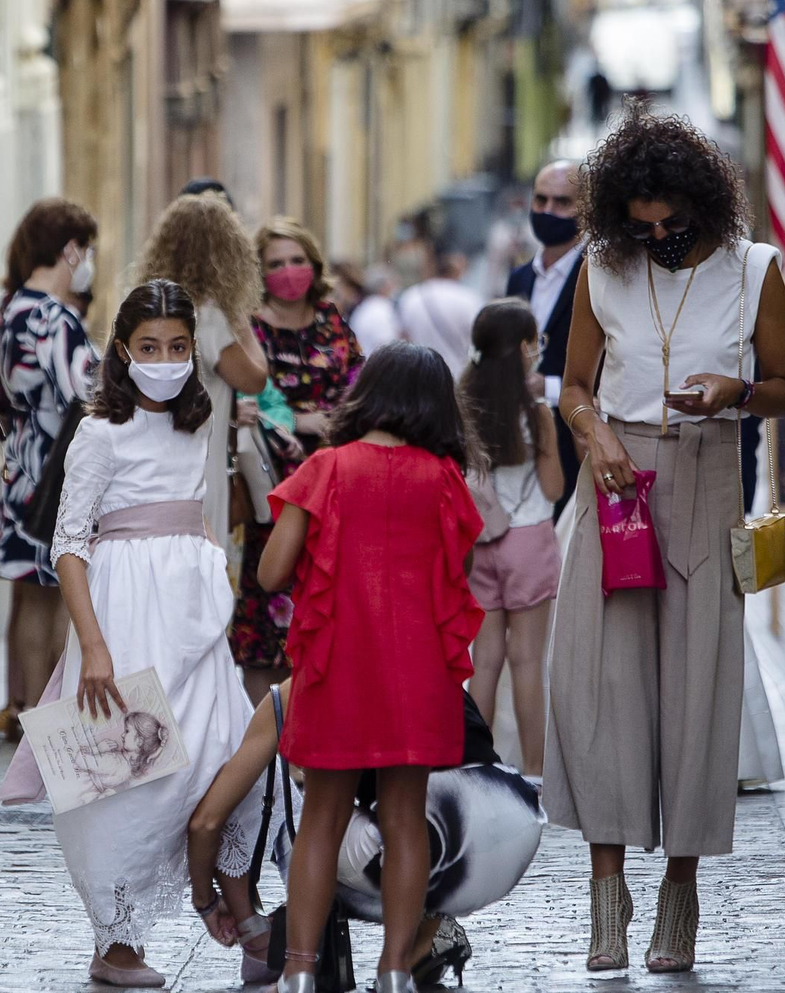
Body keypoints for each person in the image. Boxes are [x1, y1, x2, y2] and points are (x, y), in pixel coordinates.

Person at [545, 100, 785, 973]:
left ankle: (679, 893)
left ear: (703, 205)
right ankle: (606, 894)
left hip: (707, 473)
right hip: (617, 481)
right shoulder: (600, 266)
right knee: (602, 685)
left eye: (673, 223)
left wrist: (736, 391)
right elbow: (573, 385)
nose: (656, 235)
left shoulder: (755, 268)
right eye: (640, 222)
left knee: (699, 688)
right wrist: (597, 433)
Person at [0, 280, 263, 989]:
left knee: (226, 750)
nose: (166, 359)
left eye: (178, 346)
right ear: (122, 351)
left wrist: (212, 576)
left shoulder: (195, 423)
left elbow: (198, 512)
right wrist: (93, 644)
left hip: (194, 613)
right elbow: (68, 544)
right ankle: (115, 941)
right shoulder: (98, 431)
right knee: (127, 773)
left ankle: (240, 909)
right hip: (124, 609)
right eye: (150, 347)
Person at [255, 341, 484, 993]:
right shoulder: (443, 477)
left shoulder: (325, 468)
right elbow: (456, 579)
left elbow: (272, 572)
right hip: (417, 676)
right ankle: (394, 971)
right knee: (405, 819)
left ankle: (299, 972)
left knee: (322, 819)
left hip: (338, 672)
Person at [187, 684, 544, 990]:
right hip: (515, 810)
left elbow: (206, 822)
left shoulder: (300, 690)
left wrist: (205, 901)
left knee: (304, 831)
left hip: (443, 826)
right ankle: (401, 964)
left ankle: (302, 969)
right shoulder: (420, 653)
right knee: (398, 814)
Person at [0, 199, 100, 743]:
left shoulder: (11, 309)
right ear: (70, 249)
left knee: (28, 593)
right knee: (54, 594)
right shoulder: (54, 316)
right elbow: (86, 391)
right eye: (87, 250)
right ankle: (49, 716)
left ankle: (25, 707)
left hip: (20, 465)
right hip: (56, 468)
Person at [231, 218, 365, 705]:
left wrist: (338, 420)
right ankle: (263, 753)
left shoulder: (333, 319)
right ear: (259, 272)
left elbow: (362, 385)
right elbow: (239, 394)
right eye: (276, 263)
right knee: (266, 621)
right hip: (273, 490)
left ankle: (318, 737)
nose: (288, 271)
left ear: (314, 264)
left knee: (330, 613)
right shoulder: (247, 326)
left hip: (337, 487)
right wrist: (300, 421)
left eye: (297, 260)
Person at [461, 299, 563, 781]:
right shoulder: (535, 411)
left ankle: (476, 764)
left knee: (485, 659)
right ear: (525, 347)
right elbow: (554, 487)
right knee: (527, 659)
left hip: (480, 541)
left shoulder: (464, 405)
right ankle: (536, 768)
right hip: (529, 539)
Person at [135, 193, 269, 549]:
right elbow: (255, 377)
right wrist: (241, 323)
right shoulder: (208, 317)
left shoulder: (146, 307)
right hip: (199, 471)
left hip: (148, 469)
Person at [506, 159, 587, 517]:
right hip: (518, 444)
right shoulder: (519, 279)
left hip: (573, 442)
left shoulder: (598, 277)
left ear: (585, 208)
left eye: (561, 202)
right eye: (540, 201)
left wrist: (550, 387)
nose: (548, 211)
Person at [397, 237, 481, 377]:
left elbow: (402, 338)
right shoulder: (469, 299)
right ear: (457, 271)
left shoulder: (411, 296)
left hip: (417, 375)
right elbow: (478, 342)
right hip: (457, 377)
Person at [348, 264, 403, 356]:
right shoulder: (382, 308)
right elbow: (387, 345)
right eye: (392, 284)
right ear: (383, 287)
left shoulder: (364, 307)